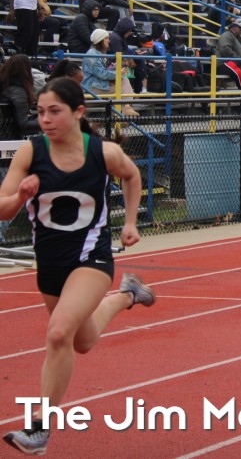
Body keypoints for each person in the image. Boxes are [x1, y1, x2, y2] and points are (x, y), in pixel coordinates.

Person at [0, 78, 155, 456]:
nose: (45, 120)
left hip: (91, 258)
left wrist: (130, 222)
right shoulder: (30, 152)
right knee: (81, 341)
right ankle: (127, 295)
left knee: (58, 335)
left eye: (54, 112)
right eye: (40, 112)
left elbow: (132, 175)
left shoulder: (103, 152)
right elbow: (2, 209)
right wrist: (20, 196)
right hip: (50, 262)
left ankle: (40, 428)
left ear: (78, 112)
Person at [0, 54, 40, 138]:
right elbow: (24, 125)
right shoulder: (18, 92)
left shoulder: (5, 88)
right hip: (10, 139)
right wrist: (46, 121)